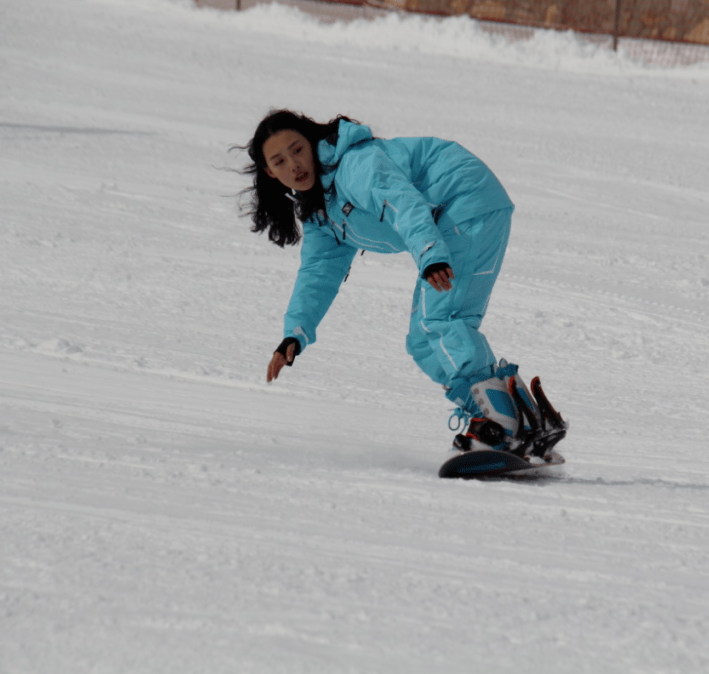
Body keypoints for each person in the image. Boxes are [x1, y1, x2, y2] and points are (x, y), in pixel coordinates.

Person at [238, 110, 565, 456]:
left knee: (438, 321)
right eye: (280, 160)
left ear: (312, 143)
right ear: (270, 172)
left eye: (298, 150)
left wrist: (430, 254)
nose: (294, 165)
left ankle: (501, 426)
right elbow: (317, 273)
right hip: (457, 214)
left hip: (464, 201)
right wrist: (295, 333)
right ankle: (521, 421)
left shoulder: (354, 166)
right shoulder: (321, 211)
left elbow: (402, 202)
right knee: (423, 341)